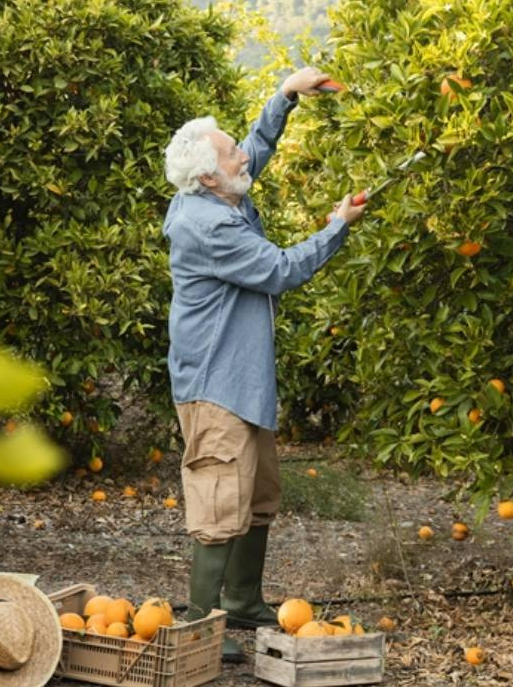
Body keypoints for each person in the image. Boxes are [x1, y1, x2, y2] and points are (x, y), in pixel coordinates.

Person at [161, 66, 365, 662]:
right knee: (220, 499)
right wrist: (337, 227)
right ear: (207, 174)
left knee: (256, 495)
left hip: (242, 376)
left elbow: (251, 152)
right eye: (230, 156)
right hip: (214, 383)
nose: (241, 160)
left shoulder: (212, 190)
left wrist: (283, 95)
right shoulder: (211, 225)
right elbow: (281, 269)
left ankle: (244, 601)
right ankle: (202, 625)